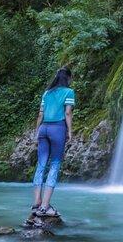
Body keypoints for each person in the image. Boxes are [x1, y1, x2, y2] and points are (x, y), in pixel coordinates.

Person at [32, 67, 75, 216]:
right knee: (55, 164)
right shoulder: (69, 92)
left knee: (41, 165)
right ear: (68, 78)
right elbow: (67, 112)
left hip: (43, 129)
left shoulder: (46, 93)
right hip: (58, 129)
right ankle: (45, 206)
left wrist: (36, 132)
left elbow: (40, 114)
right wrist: (70, 131)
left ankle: (36, 201)